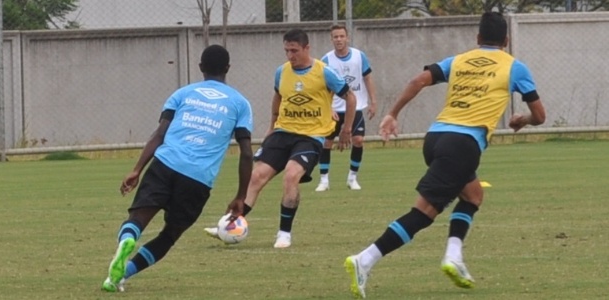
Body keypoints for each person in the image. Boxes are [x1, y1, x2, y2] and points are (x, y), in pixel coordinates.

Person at [344, 12, 546, 299]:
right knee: (424, 212)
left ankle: (454, 255)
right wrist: (521, 120)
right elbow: (540, 115)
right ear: (507, 41)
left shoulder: (459, 60)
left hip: (436, 138)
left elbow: (418, 80)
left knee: (473, 195)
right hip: (463, 146)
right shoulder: (515, 67)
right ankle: (365, 259)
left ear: (477, 39)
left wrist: (392, 114)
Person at [101, 44, 254, 292]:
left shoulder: (183, 94)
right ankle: (121, 275)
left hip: (165, 164)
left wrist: (137, 169)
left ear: (201, 67)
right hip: (198, 178)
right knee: (169, 235)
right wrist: (240, 195)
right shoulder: (240, 104)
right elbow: (246, 153)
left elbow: (159, 133)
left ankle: (127, 240)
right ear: (227, 68)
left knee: (138, 219)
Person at [205, 28, 356, 248]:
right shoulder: (282, 72)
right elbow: (278, 97)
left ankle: (284, 234)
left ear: (306, 48)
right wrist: (271, 127)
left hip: (310, 137)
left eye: (294, 50)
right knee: (255, 177)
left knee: (291, 175)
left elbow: (350, 97)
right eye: (287, 50)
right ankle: (228, 225)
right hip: (282, 133)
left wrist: (347, 129)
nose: (290, 55)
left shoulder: (324, 73)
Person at [315, 24, 377, 191]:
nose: (339, 40)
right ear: (331, 39)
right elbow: (321, 87)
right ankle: (324, 180)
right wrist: (328, 108)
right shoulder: (326, 60)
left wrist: (373, 101)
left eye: (342, 36)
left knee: (358, 140)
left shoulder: (359, 56)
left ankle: (352, 178)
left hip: (355, 107)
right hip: (334, 109)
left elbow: (368, 78)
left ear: (347, 37)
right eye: (335, 37)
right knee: (326, 143)